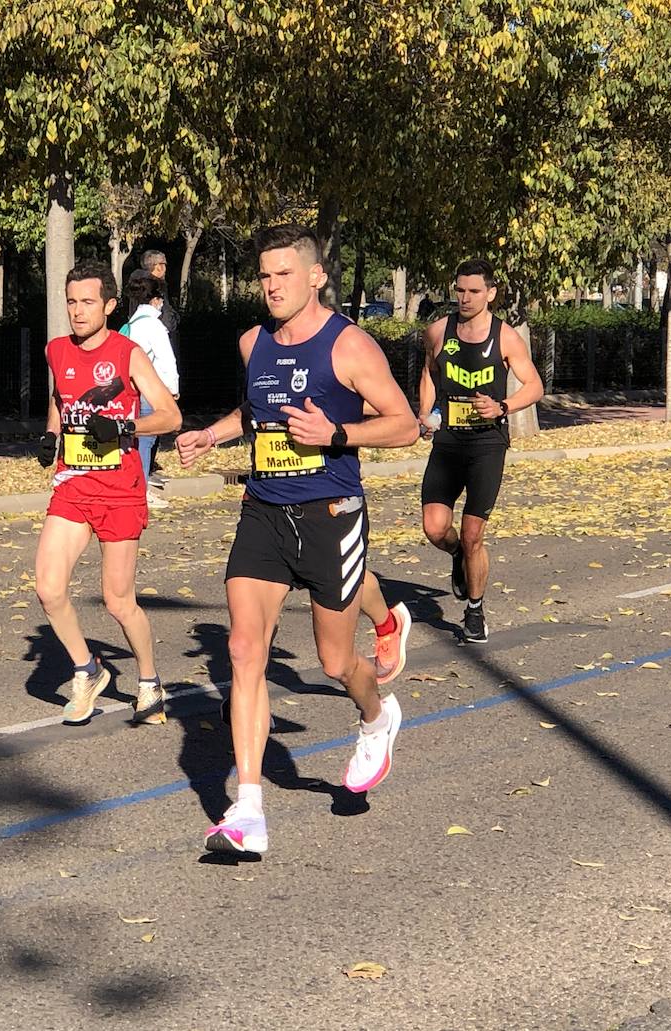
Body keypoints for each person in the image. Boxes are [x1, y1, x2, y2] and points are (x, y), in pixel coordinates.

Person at [176, 224, 418, 854]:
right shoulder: (252, 340)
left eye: (285, 274)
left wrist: (335, 434)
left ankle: (376, 716)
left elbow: (404, 425)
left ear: (315, 276)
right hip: (262, 512)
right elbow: (253, 414)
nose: (272, 286)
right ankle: (248, 809)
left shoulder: (350, 346)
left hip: (329, 513)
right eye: (265, 275)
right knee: (244, 648)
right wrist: (211, 436)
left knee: (335, 663)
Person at [35, 260, 182, 725]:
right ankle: (87, 668)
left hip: (119, 489)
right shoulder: (55, 350)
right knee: (48, 588)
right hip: (73, 484)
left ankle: (148, 681)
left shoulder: (127, 353)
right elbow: (60, 399)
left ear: (110, 305)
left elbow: (171, 416)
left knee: (118, 601)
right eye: (71, 302)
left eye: (87, 302)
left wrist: (123, 426)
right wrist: (50, 434)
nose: (78, 312)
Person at [417, 258, 544, 643]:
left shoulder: (505, 337)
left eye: (474, 291)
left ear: (490, 293)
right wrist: (425, 412)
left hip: (487, 443)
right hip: (448, 441)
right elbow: (429, 373)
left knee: (473, 534)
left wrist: (503, 407)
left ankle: (474, 609)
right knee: (435, 528)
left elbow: (534, 386)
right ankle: (457, 556)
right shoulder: (438, 331)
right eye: (459, 290)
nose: (465, 298)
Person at [120, 271, 179, 511]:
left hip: (130, 392)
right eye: (161, 298)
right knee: (145, 443)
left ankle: (132, 488)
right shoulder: (154, 325)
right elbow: (166, 361)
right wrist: (172, 391)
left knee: (132, 444)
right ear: (155, 299)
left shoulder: (129, 326)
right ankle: (141, 492)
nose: (162, 303)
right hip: (150, 393)